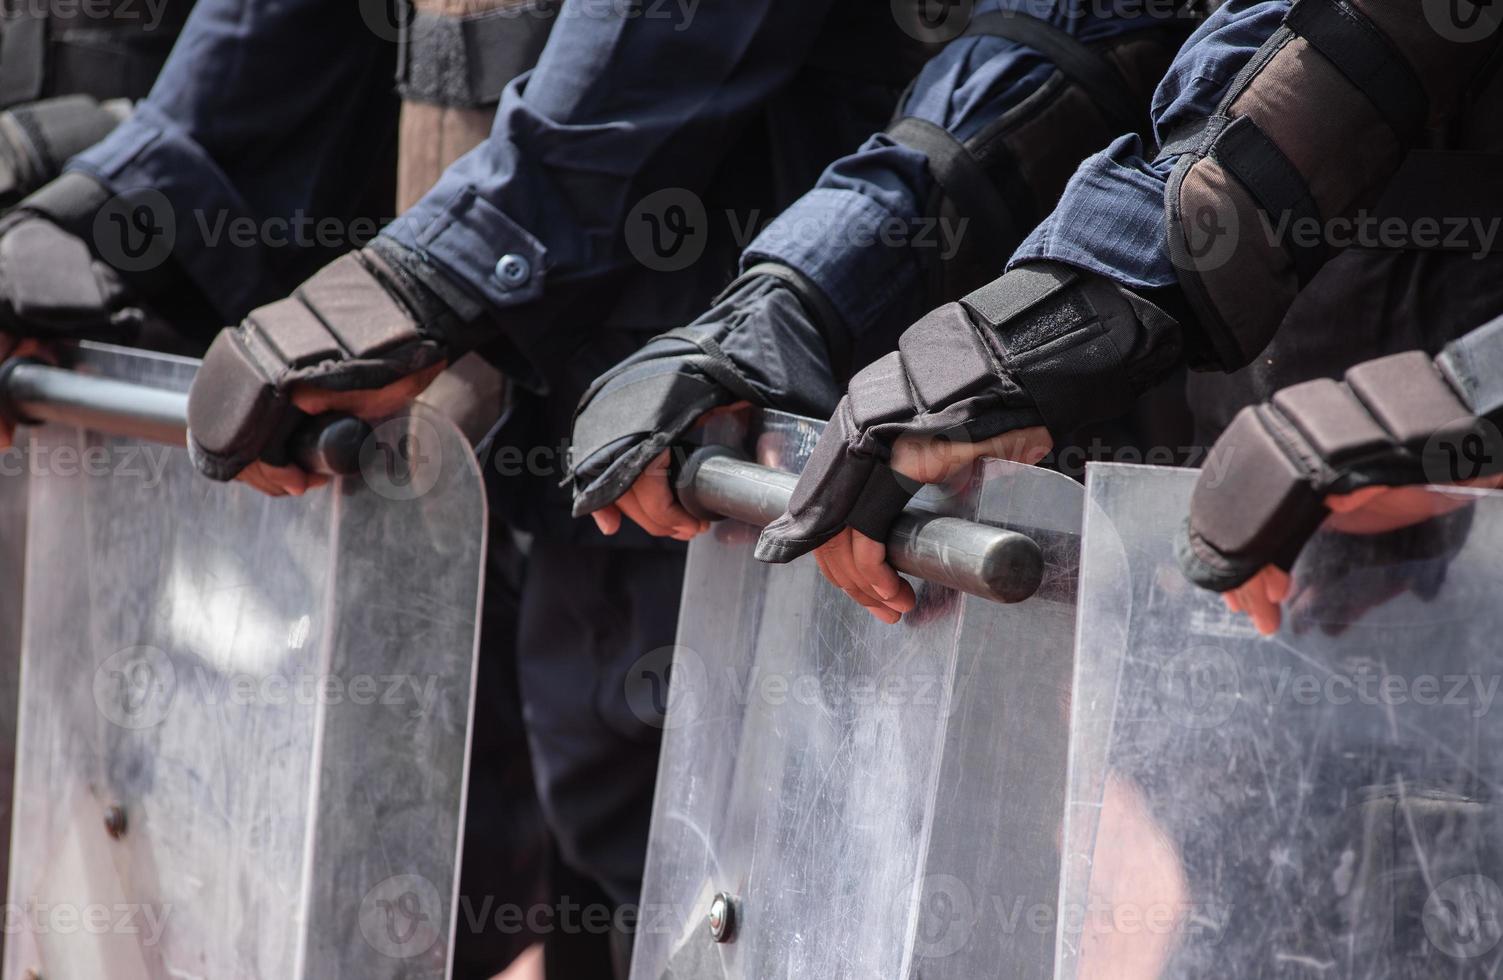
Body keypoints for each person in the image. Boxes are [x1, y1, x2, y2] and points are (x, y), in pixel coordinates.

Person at [752, 0, 1503, 627]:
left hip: (1432, 499)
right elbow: (1064, 44)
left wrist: (1463, 399)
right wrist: (789, 301)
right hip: (1259, 501)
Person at [566, 0, 1195, 587]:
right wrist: (767, 318)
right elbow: (1034, 67)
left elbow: (1239, 126)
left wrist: (1025, 348)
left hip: (1179, 454)